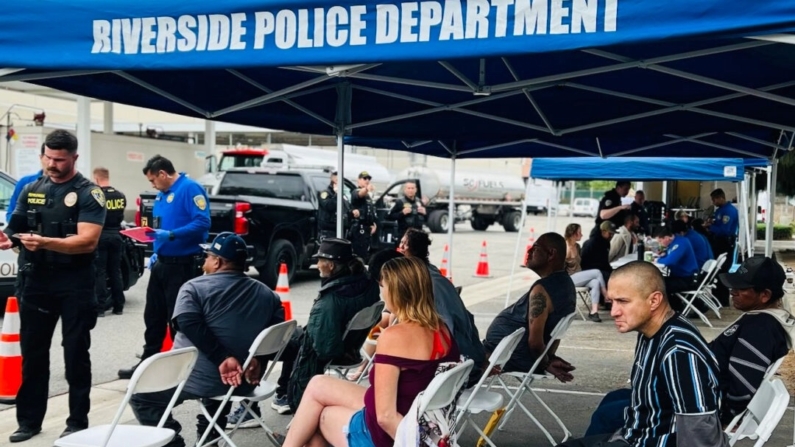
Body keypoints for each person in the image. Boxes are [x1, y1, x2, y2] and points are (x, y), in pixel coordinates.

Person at [584, 256, 793, 437]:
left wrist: (724, 418)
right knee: (614, 398)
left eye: (741, 288)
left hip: (697, 404)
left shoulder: (761, 329)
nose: (733, 291)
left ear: (764, 295)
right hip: (694, 391)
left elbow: (742, 387)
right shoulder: (758, 321)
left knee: (608, 415)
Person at [281, 256, 460, 447]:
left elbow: (385, 417)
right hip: (415, 413)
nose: (381, 292)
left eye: (382, 286)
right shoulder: (441, 329)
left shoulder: (394, 337)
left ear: (396, 291)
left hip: (392, 431)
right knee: (317, 384)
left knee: (318, 418)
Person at [130, 232, 285, 447]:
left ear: (217, 261)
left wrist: (222, 358)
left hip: (202, 378)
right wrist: (259, 359)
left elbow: (187, 323)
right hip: (242, 382)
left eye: (207, 256)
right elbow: (277, 333)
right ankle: (209, 439)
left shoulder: (194, 288)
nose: (204, 260)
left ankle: (174, 443)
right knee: (220, 378)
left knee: (141, 396)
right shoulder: (269, 295)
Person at [1, 130, 107, 442]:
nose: (51, 163)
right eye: (47, 157)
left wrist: (46, 242)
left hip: (74, 283)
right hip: (36, 282)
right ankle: (29, 421)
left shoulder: (89, 193)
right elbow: (17, 222)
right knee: (33, 355)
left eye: (59, 159)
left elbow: (88, 242)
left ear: (74, 158)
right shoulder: (33, 187)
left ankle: (77, 422)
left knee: (75, 354)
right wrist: (7, 236)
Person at [561, 261, 728, 447]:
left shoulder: (678, 352)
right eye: (611, 301)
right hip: (635, 435)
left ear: (654, 300)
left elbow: (699, 435)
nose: (614, 312)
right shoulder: (651, 330)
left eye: (623, 301)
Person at [118, 155, 211, 379]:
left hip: (183, 264)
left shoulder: (189, 189)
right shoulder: (162, 194)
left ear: (162, 173)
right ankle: (148, 361)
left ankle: (181, 365)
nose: (152, 185)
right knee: (153, 315)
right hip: (162, 262)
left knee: (177, 317)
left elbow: (202, 222)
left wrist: (171, 235)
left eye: (153, 180)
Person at [284, 238, 380, 413]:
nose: (317, 264)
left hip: (332, 352)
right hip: (351, 345)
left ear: (331, 266)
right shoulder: (368, 284)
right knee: (292, 336)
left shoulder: (329, 302)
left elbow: (325, 349)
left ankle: (284, 394)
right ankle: (283, 392)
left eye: (320, 260)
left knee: (284, 341)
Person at [483, 232, 576, 380]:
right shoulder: (565, 283)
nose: (529, 251)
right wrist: (549, 357)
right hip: (510, 353)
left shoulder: (542, 290)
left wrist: (545, 363)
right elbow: (555, 334)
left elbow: (535, 343)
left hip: (507, 356)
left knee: (457, 355)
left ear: (551, 254)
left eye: (535, 247)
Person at [399, 228, 487, 384]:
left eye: (403, 243)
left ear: (408, 247)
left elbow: (446, 330)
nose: (400, 246)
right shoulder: (432, 273)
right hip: (471, 354)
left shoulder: (420, 280)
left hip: (457, 368)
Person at [7, 143, 46, 299]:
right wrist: (16, 234)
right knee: (26, 294)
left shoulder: (76, 188)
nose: (52, 163)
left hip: (59, 251)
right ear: (41, 157)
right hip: (29, 249)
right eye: (48, 158)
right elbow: (12, 212)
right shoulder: (26, 183)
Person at [92, 167, 127, 317]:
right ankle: (118, 306)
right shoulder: (120, 195)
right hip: (117, 236)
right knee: (115, 271)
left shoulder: (97, 196)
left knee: (100, 271)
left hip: (101, 236)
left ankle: (100, 308)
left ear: (97, 179)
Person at [564, 223, 607, 323]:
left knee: (596, 282)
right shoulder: (565, 248)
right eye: (579, 232)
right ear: (573, 234)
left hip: (579, 276)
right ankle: (606, 295)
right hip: (569, 279)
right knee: (597, 272)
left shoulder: (577, 246)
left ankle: (594, 311)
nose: (582, 235)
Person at [706, 188, 739, 306]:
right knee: (716, 271)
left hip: (725, 243)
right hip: (718, 242)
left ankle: (723, 300)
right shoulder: (720, 210)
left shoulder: (729, 211)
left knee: (722, 270)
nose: (713, 202)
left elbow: (724, 230)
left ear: (720, 198)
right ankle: (717, 298)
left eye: (714, 199)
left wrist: (710, 228)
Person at [654, 226, 699, 308]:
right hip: (681, 276)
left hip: (686, 279)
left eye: (660, 241)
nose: (660, 244)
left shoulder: (680, 243)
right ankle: (676, 306)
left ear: (667, 238)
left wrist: (657, 261)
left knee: (658, 285)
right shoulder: (676, 241)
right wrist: (662, 256)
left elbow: (670, 261)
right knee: (658, 282)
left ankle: (673, 308)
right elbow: (668, 256)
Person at [348, 171, 377, 260]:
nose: (367, 180)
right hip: (358, 229)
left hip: (367, 229)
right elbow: (360, 194)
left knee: (366, 254)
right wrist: (367, 189)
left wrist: (374, 224)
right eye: (364, 179)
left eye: (368, 179)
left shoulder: (368, 196)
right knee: (358, 255)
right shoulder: (355, 191)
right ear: (359, 180)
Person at [317, 171, 352, 241]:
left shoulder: (342, 195)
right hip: (328, 231)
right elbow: (329, 206)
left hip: (341, 231)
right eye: (339, 181)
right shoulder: (325, 193)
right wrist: (337, 195)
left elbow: (346, 209)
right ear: (334, 181)